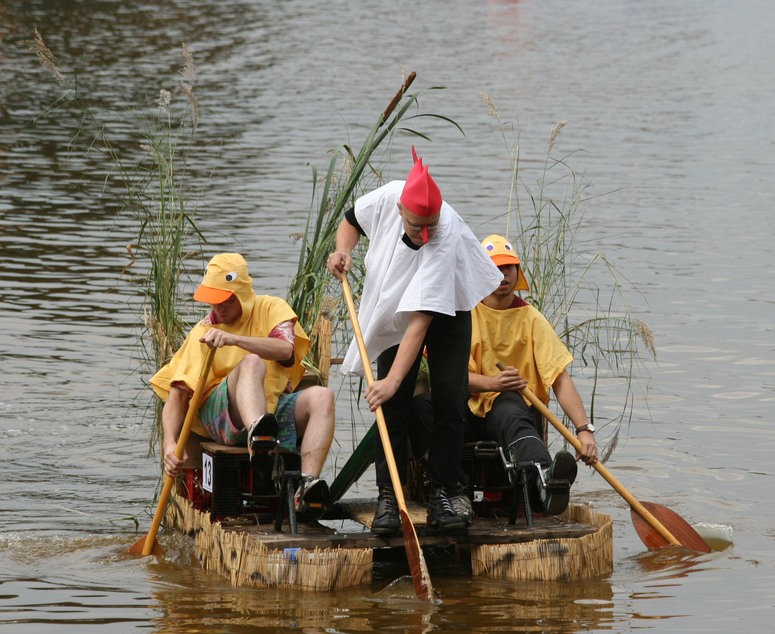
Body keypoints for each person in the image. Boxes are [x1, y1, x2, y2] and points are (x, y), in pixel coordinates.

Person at [326, 147, 503, 534]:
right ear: (400, 211)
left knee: (449, 398)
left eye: (431, 225)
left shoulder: (446, 234)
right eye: (416, 226)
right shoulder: (388, 197)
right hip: (397, 299)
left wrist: (390, 380)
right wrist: (342, 251)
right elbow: (351, 221)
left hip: (449, 304)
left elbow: (421, 321)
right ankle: (390, 495)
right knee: (393, 405)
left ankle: (443, 491)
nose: (425, 235)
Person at [414, 234, 599, 517]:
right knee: (422, 406)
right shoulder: (463, 313)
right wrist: (491, 383)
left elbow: (560, 379)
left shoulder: (531, 318)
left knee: (510, 406)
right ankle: (455, 488)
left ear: (517, 272)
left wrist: (584, 430)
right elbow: (447, 376)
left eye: (509, 268)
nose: (503, 275)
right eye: (495, 268)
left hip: (508, 413)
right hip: (465, 410)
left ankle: (545, 479)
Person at [150, 253, 335, 513]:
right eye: (213, 302)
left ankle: (306, 486)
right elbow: (177, 394)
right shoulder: (203, 333)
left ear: (243, 294)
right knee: (251, 363)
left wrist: (234, 339)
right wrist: (170, 443)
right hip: (223, 417)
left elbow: (284, 349)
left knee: (323, 396)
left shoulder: (271, 308)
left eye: (225, 301)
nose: (218, 309)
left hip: (269, 410)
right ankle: (257, 439)